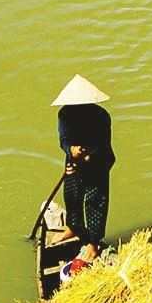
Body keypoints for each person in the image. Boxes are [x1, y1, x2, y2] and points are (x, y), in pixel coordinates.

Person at [53, 73, 115, 261]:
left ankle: (94, 245)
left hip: (98, 161)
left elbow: (103, 144)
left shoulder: (101, 116)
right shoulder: (64, 114)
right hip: (74, 159)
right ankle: (73, 227)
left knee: (94, 201)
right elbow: (64, 139)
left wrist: (88, 157)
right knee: (71, 195)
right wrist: (71, 150)